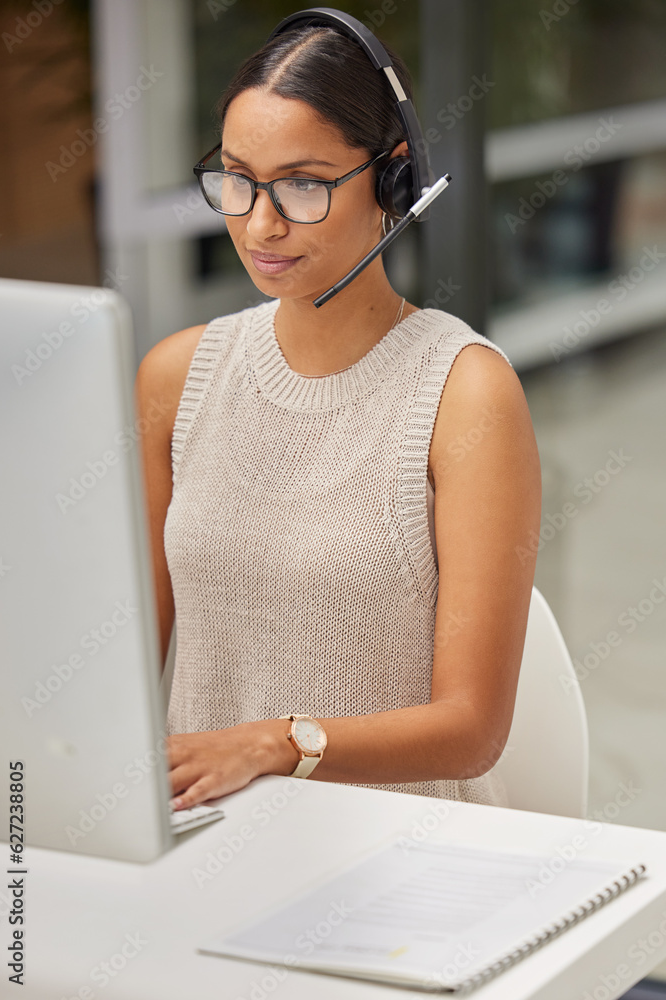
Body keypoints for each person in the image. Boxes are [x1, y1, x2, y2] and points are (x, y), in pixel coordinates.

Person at [134, 11, 541, 813]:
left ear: (393, 179)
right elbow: (120, 674)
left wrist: (275, 745)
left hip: (404, 857)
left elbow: (471, 731)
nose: (260, 223)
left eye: (303, 185)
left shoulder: (464, 393)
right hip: (208, 845)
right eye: (238, 178)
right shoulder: (177, 378)